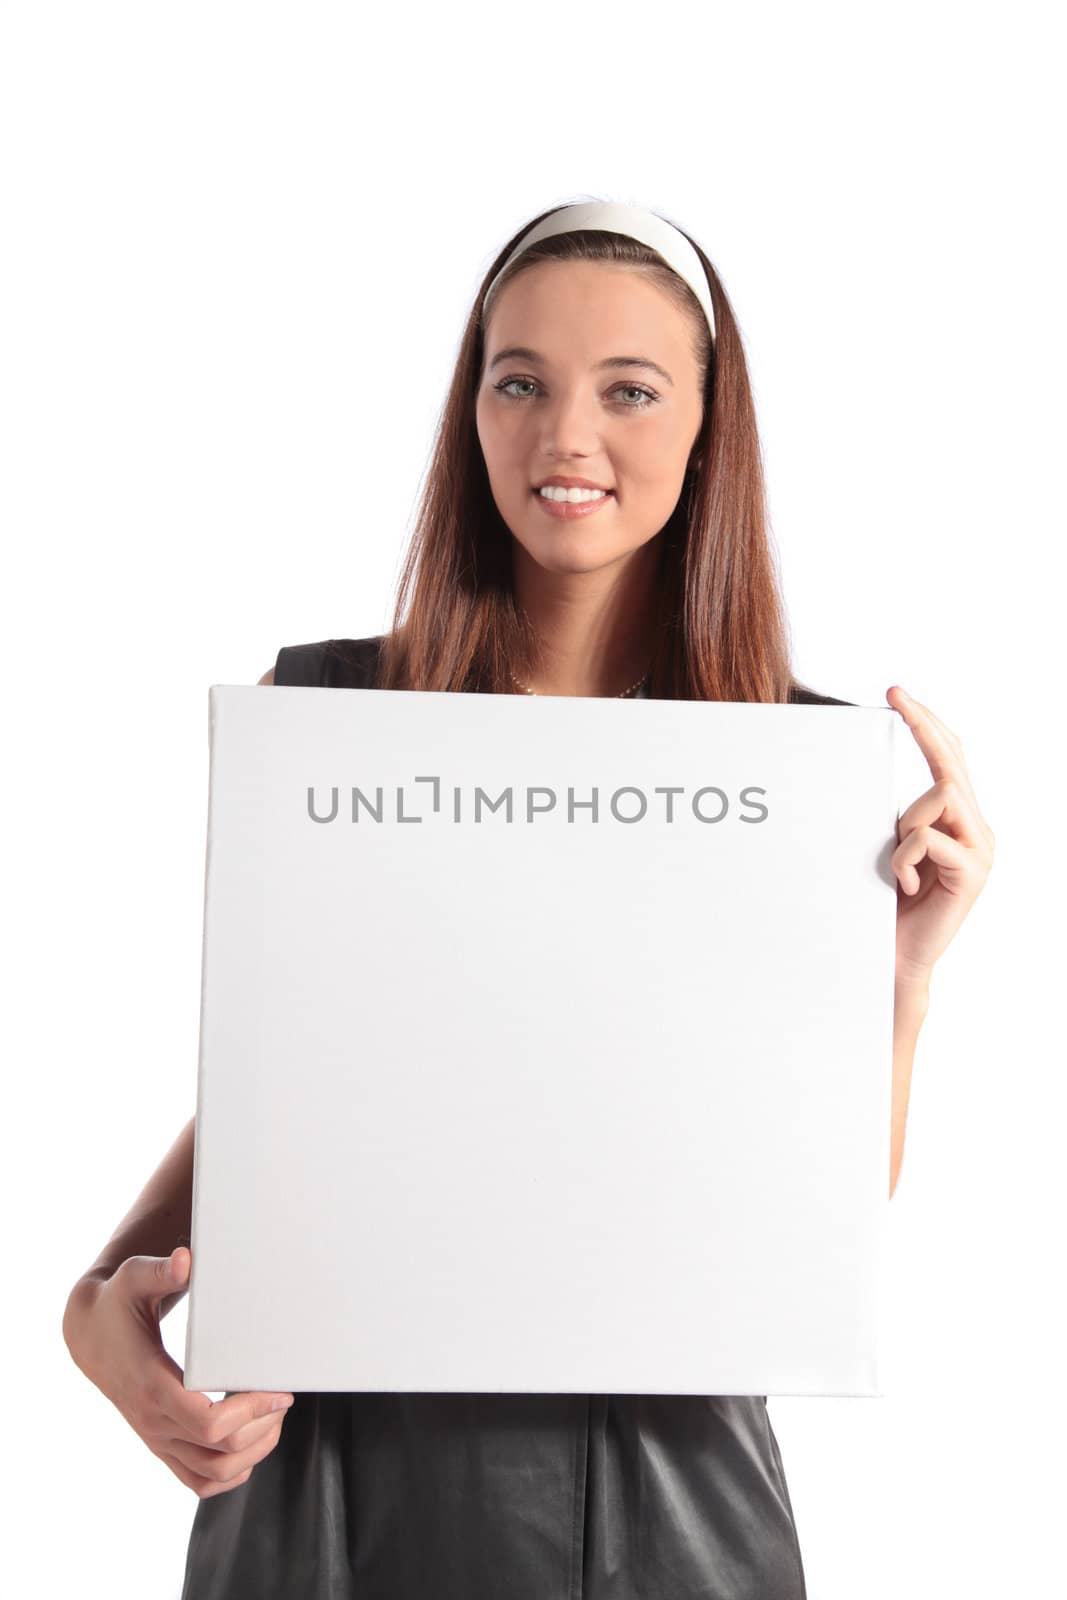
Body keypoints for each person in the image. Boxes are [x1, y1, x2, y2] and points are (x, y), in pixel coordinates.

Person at [62, 199, 996, 1599]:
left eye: (629, 390)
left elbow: (799, 1229)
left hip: (667, 1505)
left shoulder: (801, 764)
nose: (568, 436)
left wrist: (904, 970)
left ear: (705, 426)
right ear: (473, 413)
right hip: (330, 1501)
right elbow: (269, 1129)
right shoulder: (324, 716)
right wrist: (118, 1355)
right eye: (521, 383)